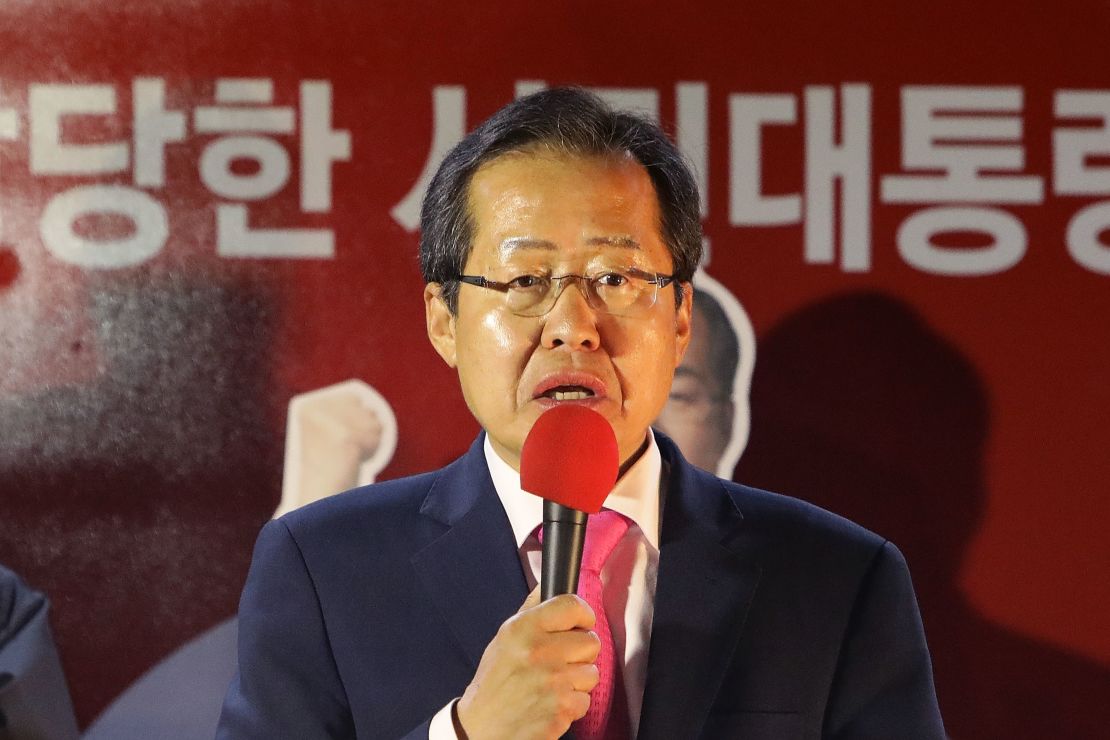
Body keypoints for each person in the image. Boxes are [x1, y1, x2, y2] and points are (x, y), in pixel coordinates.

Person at [218, 88, 945, 739]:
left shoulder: (837, 577)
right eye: (526, 278)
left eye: (615, 278)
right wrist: (468, 737)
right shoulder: (322, 569)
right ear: (445, 320)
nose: (574, 325)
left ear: (682, 315)